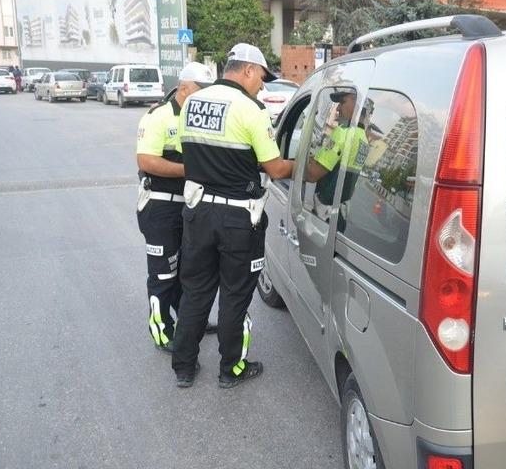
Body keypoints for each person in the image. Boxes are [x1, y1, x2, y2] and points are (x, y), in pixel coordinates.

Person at [172, 43, 294, 389]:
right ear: (248, 70)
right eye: (261, 78)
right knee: (235, 295)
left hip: (197, 213)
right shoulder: (251, 109)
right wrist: (304, 166)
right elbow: (275, 168)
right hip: (238, 219)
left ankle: (184, 367)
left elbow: (187, 151)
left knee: (195, 291)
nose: (262, 86)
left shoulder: (192, 102)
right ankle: (231, 369)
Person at [136, 62, 216, 354]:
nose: (205, 96)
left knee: (187, 272)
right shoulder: (159, 116)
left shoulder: (201, 117)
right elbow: (146, 161)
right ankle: (162, 331)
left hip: (190, 207)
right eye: (201, 90)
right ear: (184, 88)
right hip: (160, 208)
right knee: (163, 275)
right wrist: (190, 170)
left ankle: (189, 321)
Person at [305, 90, 372, 224]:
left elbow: (312, 174)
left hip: (323, 216)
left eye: (342, 102)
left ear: (357, 104)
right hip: (340, 214)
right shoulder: (364, 139)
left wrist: (289, 165)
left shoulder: (344, 132)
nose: (338, 108)